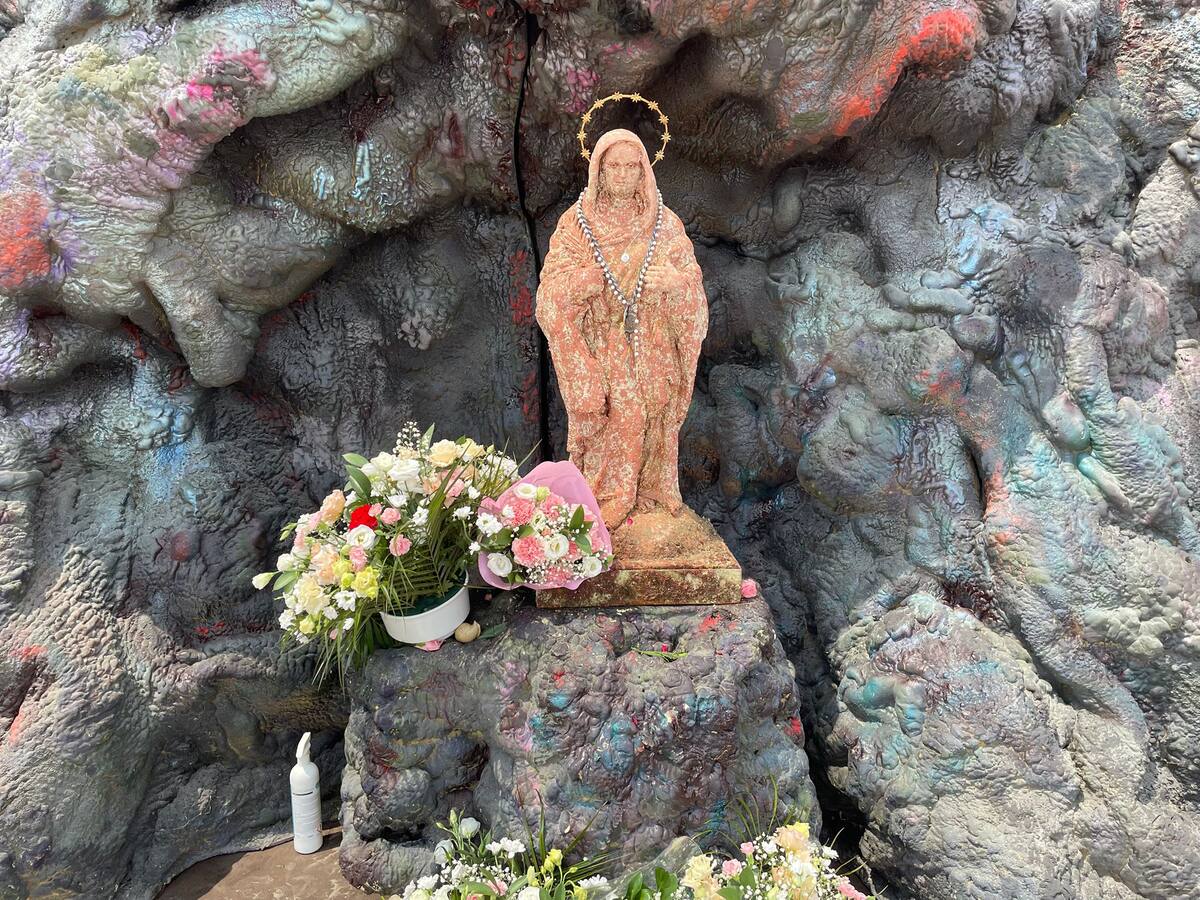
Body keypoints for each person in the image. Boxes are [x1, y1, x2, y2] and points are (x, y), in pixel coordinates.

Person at [536, 128, 708, 529]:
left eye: (633, 166)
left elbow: (690, 281)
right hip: (600, 339)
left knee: (652, 412)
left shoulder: (664, 223)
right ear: (599, 169)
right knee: (619, 412)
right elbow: (552, 288)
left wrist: (675, 283)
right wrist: (583, 282)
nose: (624, 174)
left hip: (653, 338)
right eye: (615, 166)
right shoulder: (576, 223)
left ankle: (646, 489)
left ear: (645, 171)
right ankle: (606, 495)